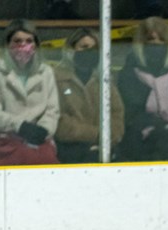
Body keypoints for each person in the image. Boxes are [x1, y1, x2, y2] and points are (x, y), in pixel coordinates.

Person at [117, 17, 168, 161]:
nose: (156, 45)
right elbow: (129, 114)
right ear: (141, 43)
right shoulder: (128, 74)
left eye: (162, 40)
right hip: (137, 149)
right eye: (150, 40)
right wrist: (160, 127)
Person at [0, 19, 60, 166]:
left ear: (36, 45)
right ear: (7, 44)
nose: (23, 46)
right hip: (6, 138)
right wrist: (20, 126)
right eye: (17, 41)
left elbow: (52, 111)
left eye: (29, 41)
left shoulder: (46, 72)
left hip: (40, 138)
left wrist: (41, 131)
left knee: (45, 161)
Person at [53, 28, 126, 164]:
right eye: (84, 47)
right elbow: (58, 121)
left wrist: (107, 138)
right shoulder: (56, 79)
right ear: (70, 50)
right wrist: (96, 134)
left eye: (94, 48)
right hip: (68, 148)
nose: (89, 52)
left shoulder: (105, 81)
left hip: (105, 146)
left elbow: (117, 115)